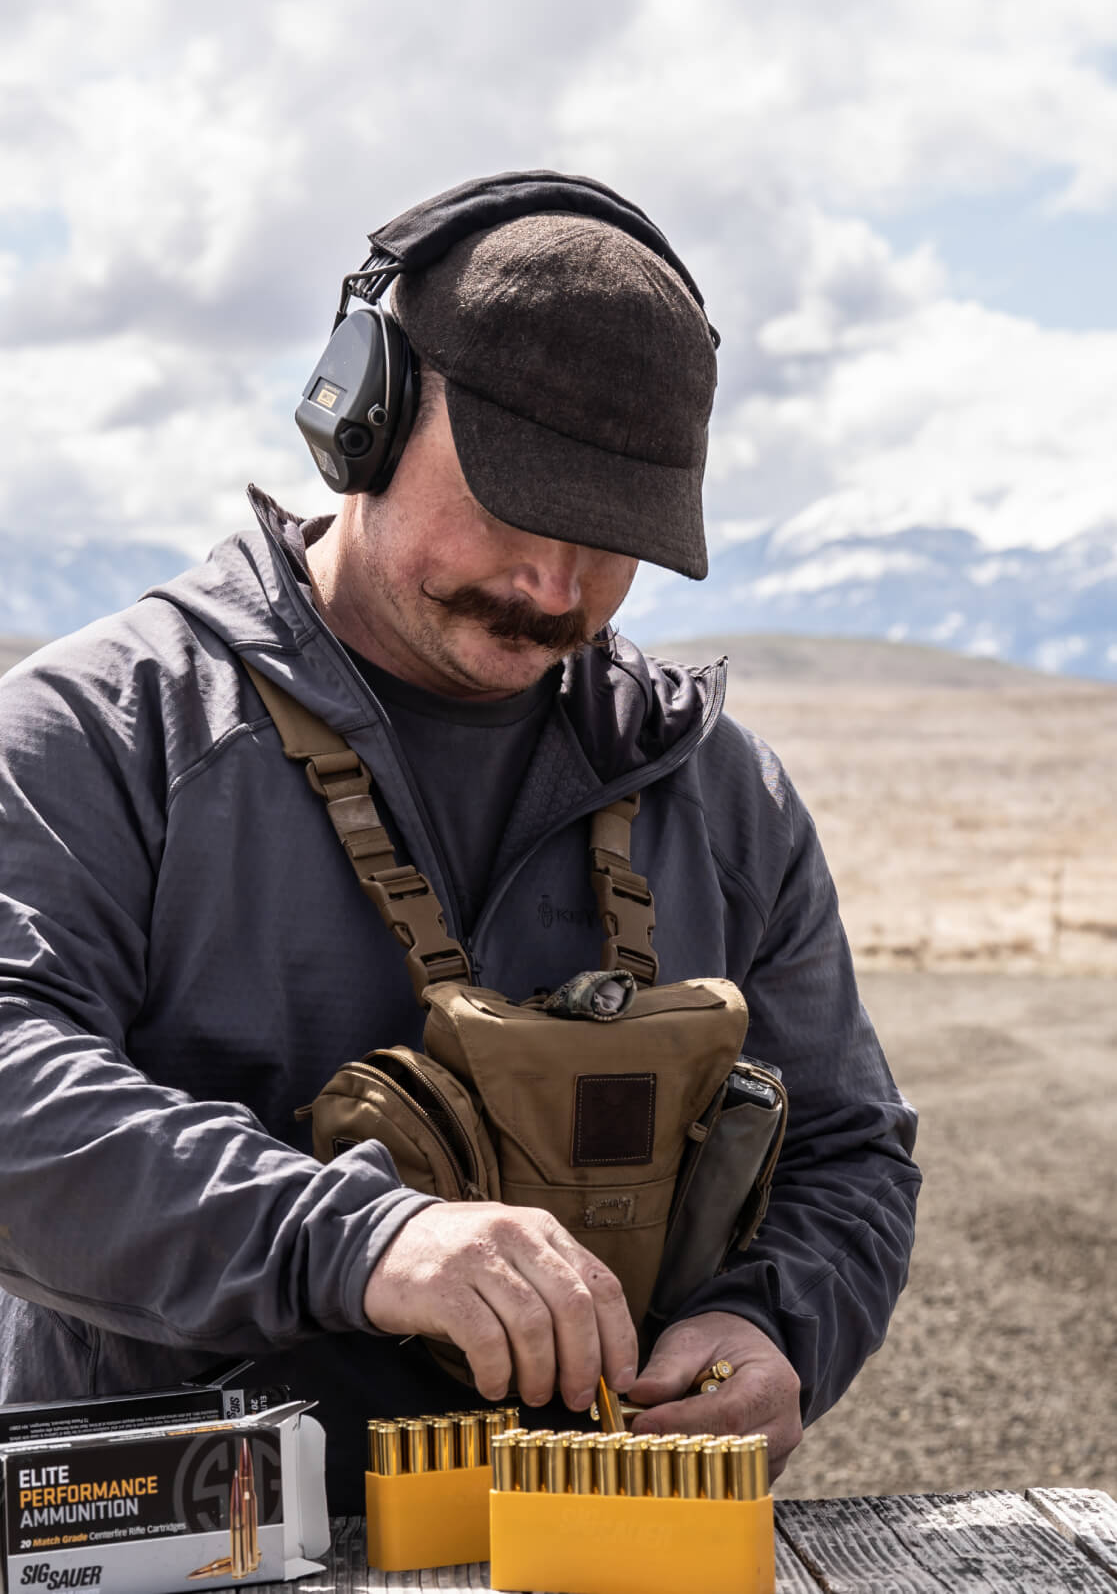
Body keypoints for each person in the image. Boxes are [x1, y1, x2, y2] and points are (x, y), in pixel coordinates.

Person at [0, 178, 919, 1514]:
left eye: (610, 544)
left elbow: (846, 1147)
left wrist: (778, 1327)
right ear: (360, 414)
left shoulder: (718, 796)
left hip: (598, 1544)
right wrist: (362, 1238)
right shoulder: (96, 732)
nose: (553, 589)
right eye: (508, 511)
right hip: (172, 1540)